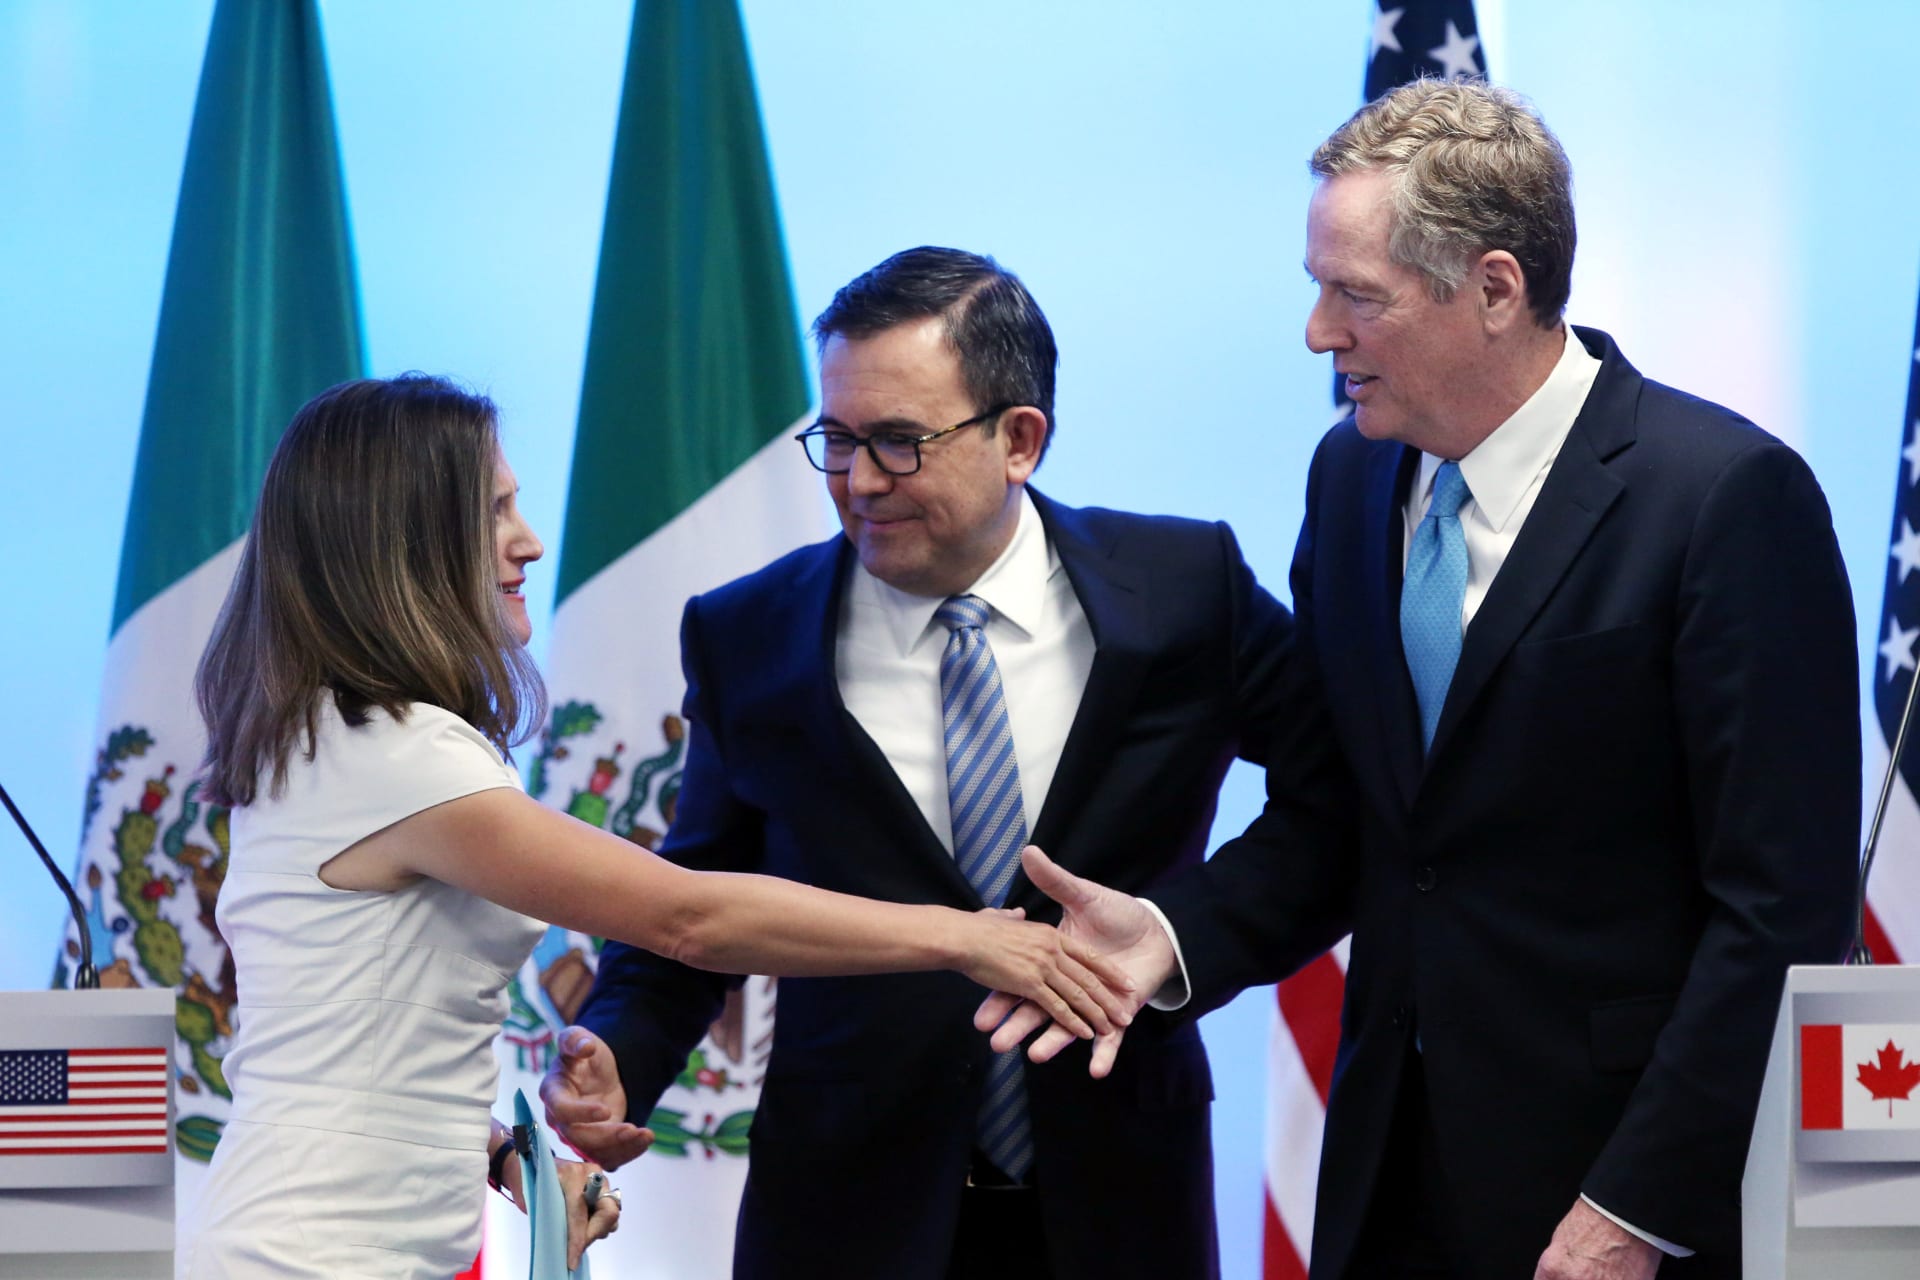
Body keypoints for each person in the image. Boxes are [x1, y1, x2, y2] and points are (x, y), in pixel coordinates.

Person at [984, 80, 1860, 1280]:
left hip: (1626, 1196)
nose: (1318, 334)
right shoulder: (1349, 482)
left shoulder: (1723, 498)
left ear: (1495, 289)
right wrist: (1175, 933)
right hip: (1392, 1175)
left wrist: (1638, 1206)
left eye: (1357, 296)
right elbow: (1362, 816)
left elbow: (1780, 908)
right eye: (1317, 288)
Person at [177, 374, 1129, 1280]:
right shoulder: (394, 755)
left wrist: (512, 1158)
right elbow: (687, 919)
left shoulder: (346, 738)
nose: (531, 542)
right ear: (402, 545)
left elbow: (352, 1047)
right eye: (494, 512)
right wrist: (967, 938)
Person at [539, 246, 1293, 1279]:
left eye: (898, 443)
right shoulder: (749, 633)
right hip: (845, 1211)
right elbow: (693, 903)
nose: (856, 481)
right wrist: (616, 1054)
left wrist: (1175, 938)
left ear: (1019, 436)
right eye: (838, 440)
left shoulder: (1183, 589)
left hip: (1121, 1199)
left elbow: (1341, 802)